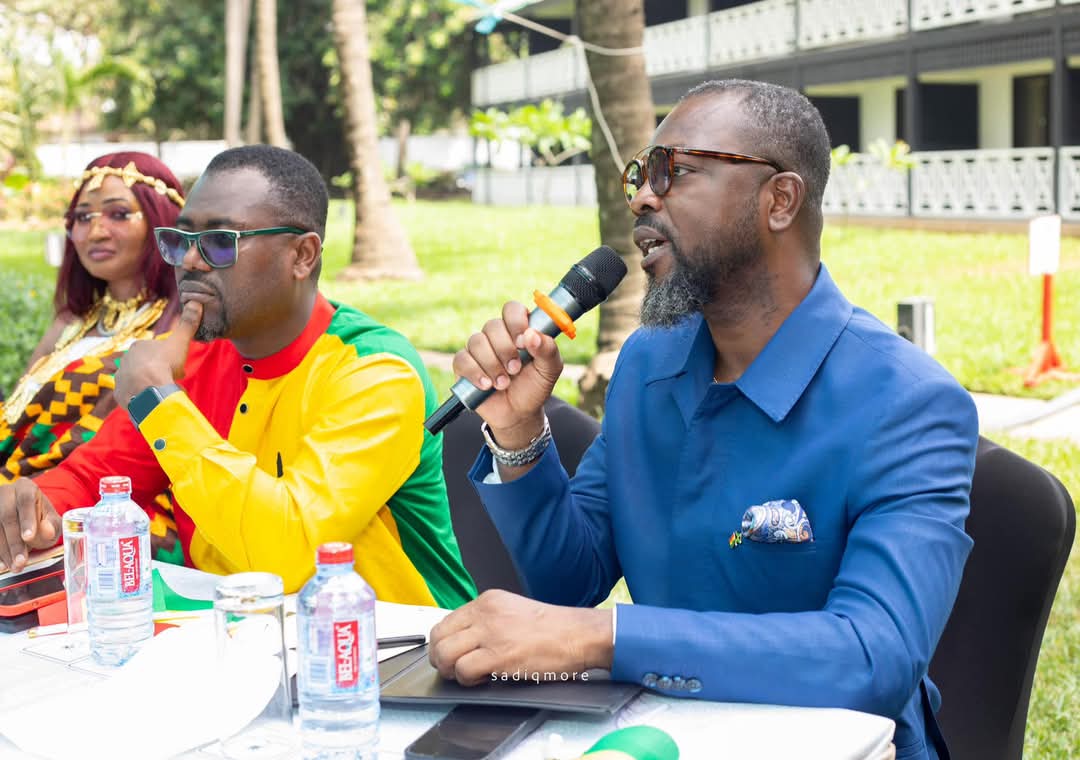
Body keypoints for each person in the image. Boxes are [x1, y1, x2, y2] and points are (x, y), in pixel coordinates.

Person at [429, 80, 977, 759]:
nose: (642, 197)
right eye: (639, 175)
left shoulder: (909, 403)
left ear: (779, 200)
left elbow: (873, 655)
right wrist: (518, 434)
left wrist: (605, 638)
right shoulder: (648, 364)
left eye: (674, 171)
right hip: (660, 736)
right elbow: (571, 582)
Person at [0, 144, 476, 609]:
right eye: (182, 239)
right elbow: (92, 480)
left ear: (302, 255)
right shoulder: (197, 361)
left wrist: (159, 406)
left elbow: (288, 553)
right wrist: (33, 510)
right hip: (241, 636)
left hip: (397, 646)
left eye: (219, 242)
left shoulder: (375, 372)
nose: (190, 261)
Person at [0, 153, 187, 561]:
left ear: (161, 222)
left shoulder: (179, 326)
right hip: (22, 489)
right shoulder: (70, 321)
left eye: (119, 214)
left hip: (116, 506)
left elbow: (140, 453)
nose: (96, 231)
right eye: (82, 218)